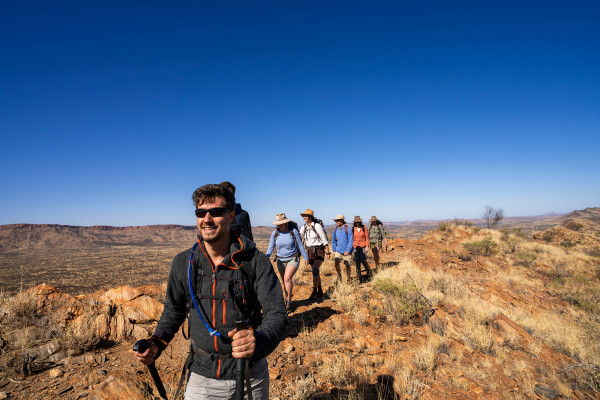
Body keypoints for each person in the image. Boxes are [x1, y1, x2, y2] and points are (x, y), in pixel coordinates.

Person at [134, 184, 287, 400]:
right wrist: (156, 343)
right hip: (204, 377)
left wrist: (259, 340)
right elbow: (173, 311)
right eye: (201, 213)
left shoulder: (255, 261)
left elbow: (277, 314)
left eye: (215, 212)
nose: (207, 219)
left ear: (231, 216)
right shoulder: (183, 263)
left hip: (251, 375)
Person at [265, 213, 309, 311]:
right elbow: (270, 247)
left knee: (287, 279)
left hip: (292, 258)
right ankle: (287, 298)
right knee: (284, 281)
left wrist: (306, 257)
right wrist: (266, 258)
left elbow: (300, 245)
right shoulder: (275, 233)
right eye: (277, 223)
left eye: (280, 223)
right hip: (280, 260)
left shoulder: (293, 231)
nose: (278, 225)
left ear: (285, 223)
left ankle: (288, 301)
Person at [298, 209, 330, 300]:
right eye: (304, 216)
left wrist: (327, 252)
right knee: (315, 272)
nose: (305, 217)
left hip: (319, 250)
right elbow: (300, 239)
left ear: (311, 217)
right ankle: (319, 291)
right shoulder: (303, 227)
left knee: (315, 270)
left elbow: (324, 239)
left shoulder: (317, 226)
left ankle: (314, 291)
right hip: (309, 251)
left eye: (307, 216)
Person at [331, 214, 354, 283]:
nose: (337, 222)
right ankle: (339, 277)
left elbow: (351, 240)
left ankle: (349, 278)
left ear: (342, 220)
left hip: (347, 251)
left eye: (338, 220)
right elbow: (333, 241)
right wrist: (334, 250)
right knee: (336, 263)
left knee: (347, 265)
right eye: (336, 220)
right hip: (338, 250)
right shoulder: (335, 229)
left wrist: (348, 250)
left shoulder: (347, 229)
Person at [352, 216, 372, 281]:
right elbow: (351, 238)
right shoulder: (353, 229)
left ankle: (368, 269)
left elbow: (367, 237)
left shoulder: (364, 227)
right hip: (355, 246)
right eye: (356, 222)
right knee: (357, 260)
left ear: (360, 221)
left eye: (358, 222)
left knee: (363, 259)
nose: (357, 223)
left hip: (363, 245)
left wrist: (367, 246)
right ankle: (358, 276)